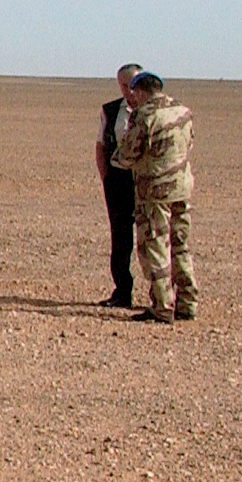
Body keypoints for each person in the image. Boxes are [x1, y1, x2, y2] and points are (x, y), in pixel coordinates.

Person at [112, 71, 197, 324]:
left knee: (156, 245)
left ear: (140, 92)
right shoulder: (182, 111)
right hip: (181, 187)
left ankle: (162, 305)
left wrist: (118, 157)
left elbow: (128, 154)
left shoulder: (145, 115)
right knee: (180, 244)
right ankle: (187, 302)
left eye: (134, 93)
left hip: (155, 191)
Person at [94, 63, 142, 308]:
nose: (127, 90)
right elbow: (101, 146)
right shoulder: (110, 110)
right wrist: (107, 179)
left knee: (153, 239)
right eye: (122, 85)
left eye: (131, 84)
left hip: (146, 183)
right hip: (119, 182)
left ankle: (161, 297)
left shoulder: (155, 111)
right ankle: (122, 291)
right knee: (121, 239)